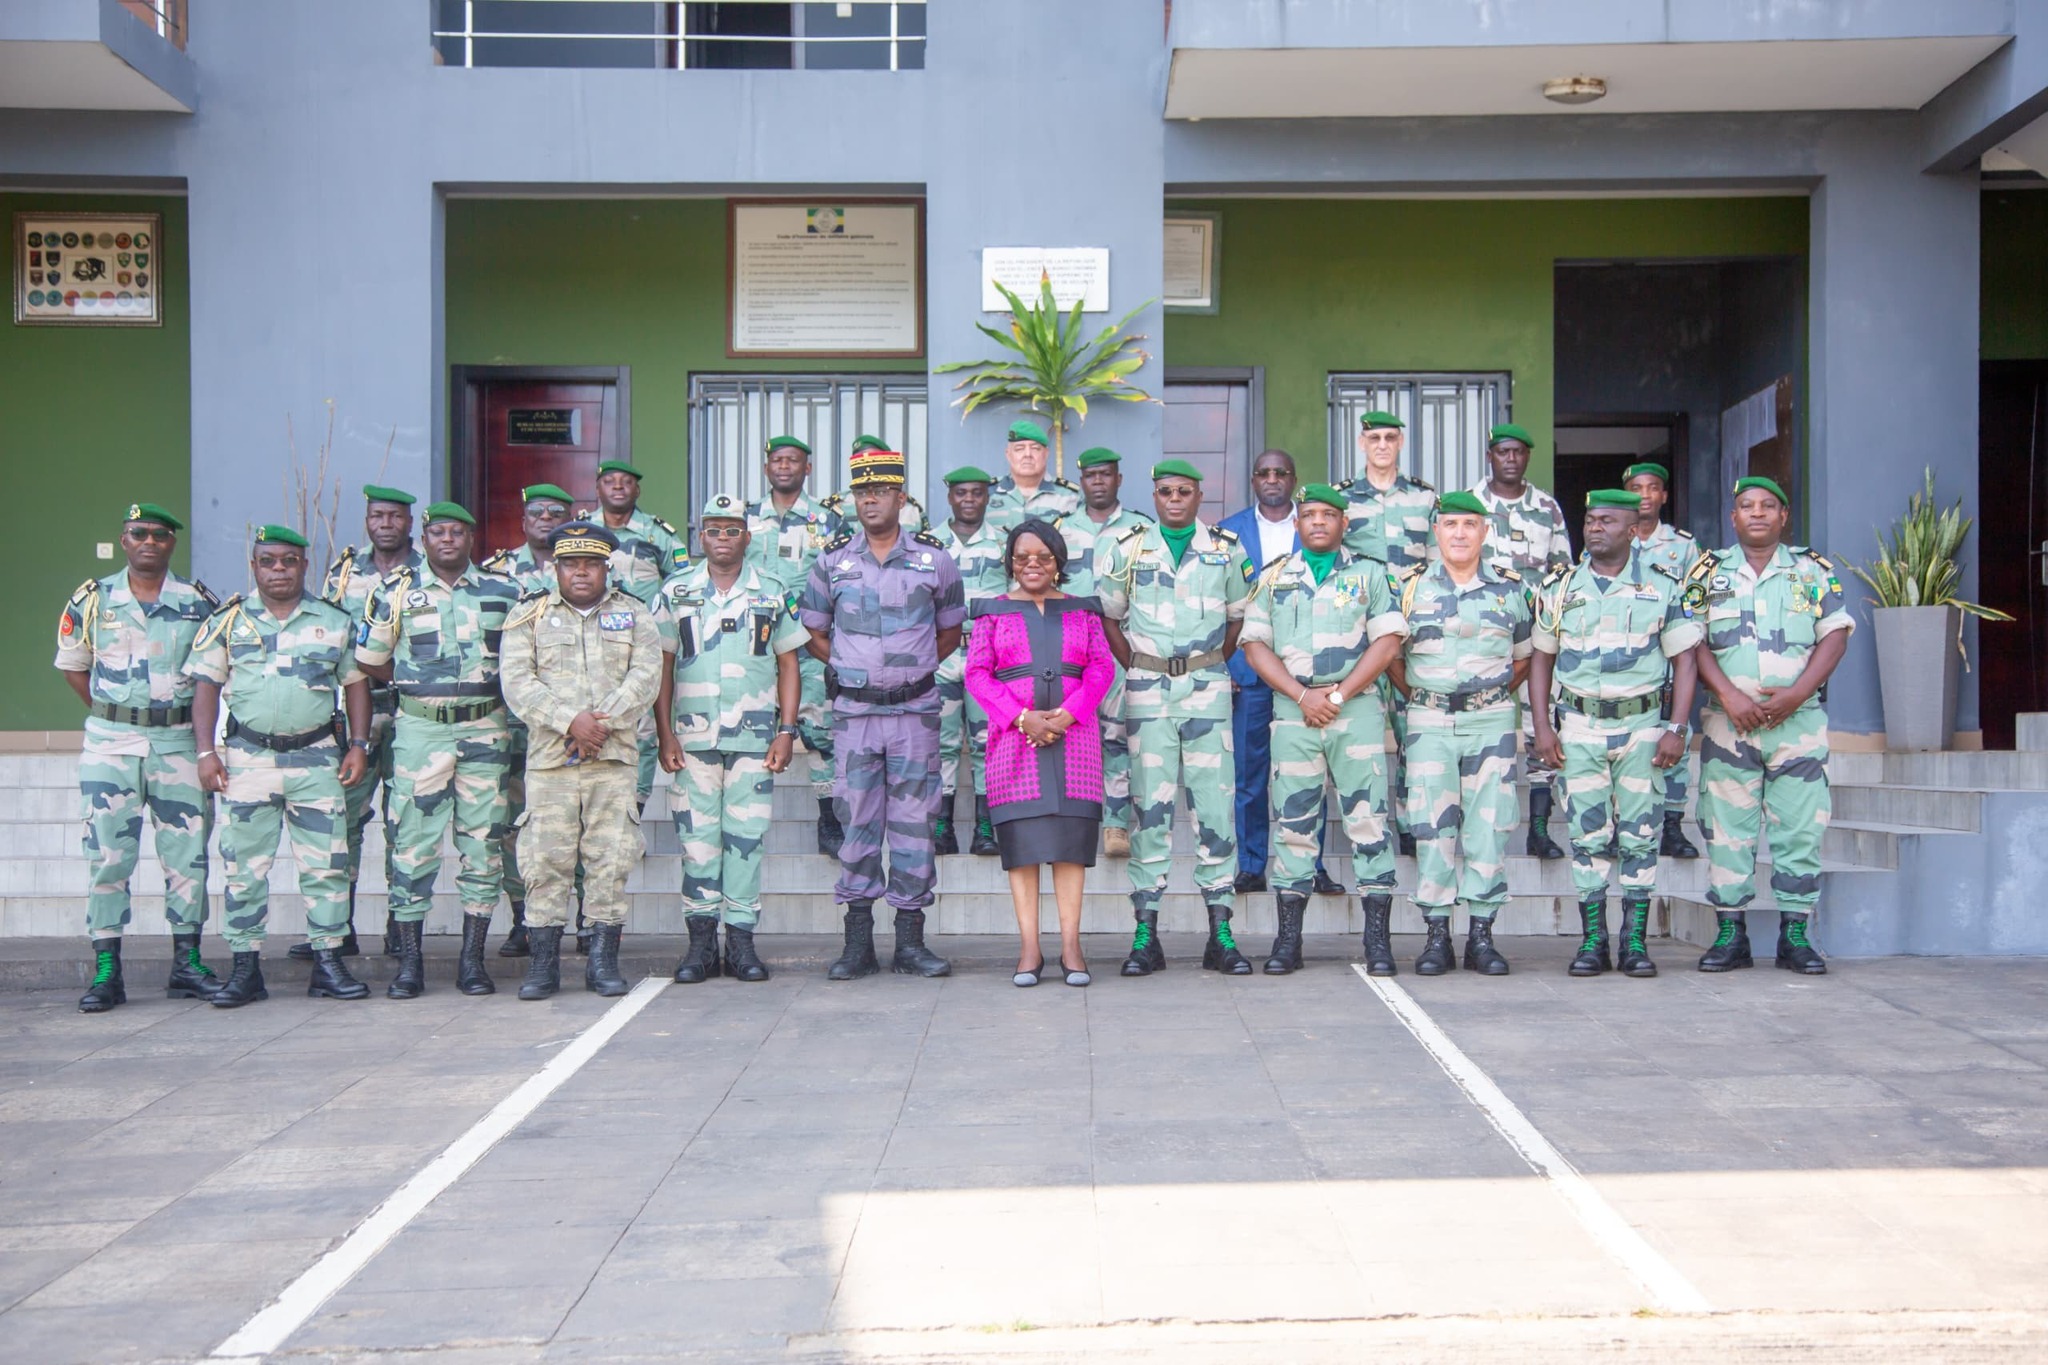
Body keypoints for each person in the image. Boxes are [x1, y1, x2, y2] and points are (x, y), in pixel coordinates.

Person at [186, 526, 373, 1007]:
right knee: (244, 869)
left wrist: (358, 744)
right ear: (254, 566)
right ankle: (245, 968)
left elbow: (355, 685)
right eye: (268, 561)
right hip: (250, 761)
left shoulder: (332, 620)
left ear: (303, 566)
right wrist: (206, 753)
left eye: (288, 561)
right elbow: (206, 685)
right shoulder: (229, 622)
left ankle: (328, 963)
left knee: (327, 865)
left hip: (316, 761)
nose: (278, 570)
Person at [798, 447, 965, 980]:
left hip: (915, 713)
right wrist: (854, 668)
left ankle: (912, 942)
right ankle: (857, 943)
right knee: (857, 824)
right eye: (861, 492)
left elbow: (949, 631)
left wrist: (910, 672)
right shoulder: (832, 562)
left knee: (916, 825)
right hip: (853, 716)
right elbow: (815, 631)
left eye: (880, 491)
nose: (870, 500)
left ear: (899, 497)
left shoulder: (933, 560)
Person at [1530, 491, 1702, 980]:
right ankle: (1593, 940)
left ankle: (1634, 942)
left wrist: (1676, 727)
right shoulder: (1561, 588)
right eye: (1589, 520)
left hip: (1643, 729)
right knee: (1587, 837)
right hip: (1579, 727)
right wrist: (1543, 725)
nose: (1595, 527)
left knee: (1641, 836)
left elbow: (1684, 661)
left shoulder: (1663, 587)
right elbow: (1541, 658)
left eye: (1607, 520)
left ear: (1632, 530)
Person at [55, 502, 219, 1012]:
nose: (149, 541)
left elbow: (213, 675)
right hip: (111, 747)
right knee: (107, 858)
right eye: (138, 533)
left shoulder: (197, 603)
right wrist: (119, 715)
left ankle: (187, 963)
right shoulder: (92, 601)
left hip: (177, 745)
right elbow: (74, 667)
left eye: (159, 535)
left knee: (187, 857)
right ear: (124, 541)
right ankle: (107, 969)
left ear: (172, 544)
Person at [355, 501, 523, 1000]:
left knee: (484, 846)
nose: (447, 540)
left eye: (457, 532)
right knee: (412, 846)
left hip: (486, 730)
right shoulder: (395, 593)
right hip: (420, 733)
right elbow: (372, 662)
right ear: (424, 539)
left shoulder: (504, 591)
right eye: (438, 532)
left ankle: (472, 961)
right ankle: (410, 964)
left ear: (472, 538)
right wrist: (418, 684)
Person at [1686, 476, 1853, 975]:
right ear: (1733, 517)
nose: (1756, 513)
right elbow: (1690, 639)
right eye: (1745, 506)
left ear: (1783, 516)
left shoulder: (1812, 570)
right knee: (1725, 830)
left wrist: (1799, 693)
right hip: (1727, 726)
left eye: (1767, 506)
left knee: (1800, 830)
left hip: (1797, 726)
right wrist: (1729, 695)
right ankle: (1730, 937)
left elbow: (1836, 635)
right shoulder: (1707, 572)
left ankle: (1795, 937)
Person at [1239, 484, 1407, 976]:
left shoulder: (1370, 574)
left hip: (1353, 711)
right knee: (1293, 825)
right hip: (1294, 712)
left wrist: (1335, 696)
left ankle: (1378, 941)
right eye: (1308, 515)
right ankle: (1288, 942)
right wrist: (1301, 695)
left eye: (1327, 515)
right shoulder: (1272, 579)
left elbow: (1389, 643)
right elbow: (1255, 647)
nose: (1317, 522)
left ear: (1343, 524)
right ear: (1296, 524)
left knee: (1369, 821)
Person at [1096, 460, 1255, 976]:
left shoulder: (1226, 550)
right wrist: (1140, 666)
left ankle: (1221, 933)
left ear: (1199, 495)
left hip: (1207, 689)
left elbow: (1237, 619)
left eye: (1184, 490)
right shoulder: (1128, 548)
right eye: (1165, 491)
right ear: (1155, 494)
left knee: (1215, 807)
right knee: (1149, 810)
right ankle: (1146, 933)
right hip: (1147, 691)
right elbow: (1109, 617)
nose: (1175, 498)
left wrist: (1206, 662)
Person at [500, 521, 664, 999]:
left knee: (609, 861)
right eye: (571, 564)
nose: (581, 573)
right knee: (545, 861)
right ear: (556, 568)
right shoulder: (528, 616)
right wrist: (570, 721)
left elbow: (646, 677)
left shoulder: (634, 615)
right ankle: (543, 968)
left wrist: (599, 724)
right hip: (551, 764)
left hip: (612, 762)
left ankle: (602, 964)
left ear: (605, 567)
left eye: (591, 564)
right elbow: (517, 683)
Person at [654, 495, 808, 984]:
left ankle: (741, 943)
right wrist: (664, 733)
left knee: (746, 841)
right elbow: (662, 666)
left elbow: (789, 662)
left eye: (731, 530)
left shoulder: (772, 590)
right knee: (697, 843)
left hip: (755, 740)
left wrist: (787, 731)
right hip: (692, 740)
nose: (722, 538)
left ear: (747, 536)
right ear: (700, 537)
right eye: (713, 530)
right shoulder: (675, 591)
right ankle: (700, 947)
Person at [966, 520, 1116, 988]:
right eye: (1022, 556)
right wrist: (1020, 717)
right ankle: (1030, 947)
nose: (1032, 564)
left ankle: (1071, 945)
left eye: (1043, 557)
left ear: (1058, 562)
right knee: (1024, 850)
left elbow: (1100, 667)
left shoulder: (1083, 611)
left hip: (1077, 745)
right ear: (1010, 561)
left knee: (1070, 849)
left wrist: (1069, 714)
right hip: (1014, 743)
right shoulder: (993, 612)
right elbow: (977, 674)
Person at [1392, 490, 1534, 977]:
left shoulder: (1511, 589)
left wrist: (1485, 695)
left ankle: (1481, 935)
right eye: (1449, 524)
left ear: (1484, 532)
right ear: (1436, 531)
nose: (1458, 533)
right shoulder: (1408, 588)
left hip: (1490, 721)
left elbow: (1524, 657)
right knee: (1432, 828)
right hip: (1428, 720)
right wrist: (1423, 695)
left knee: (1489, 828)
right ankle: (1436, 937)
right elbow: (1392, 656)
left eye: (1468, 525)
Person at [1221, 449, 1341, 897]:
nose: (1272, 479)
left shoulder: (1315, 525)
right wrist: (1228, 663)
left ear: (1293, 479)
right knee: (1250, 776)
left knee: (1310, 774)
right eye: (1264, 473)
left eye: (1281, 473)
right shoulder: (1230, 531)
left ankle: (1312, 865)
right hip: (1249, 675)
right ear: (1253, 480)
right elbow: (1223, 606)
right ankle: (1252, 864)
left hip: (1307, 678)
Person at [320, 484, 425, 959]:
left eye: (394, 516)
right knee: (344, 820)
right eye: (377, 516)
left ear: (410, 522)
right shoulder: (343, 574)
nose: (385, 524)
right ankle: (337, 927)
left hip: (410, 712)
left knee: (404, 824)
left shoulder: (429, 572)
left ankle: (399, 930)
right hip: (352, 714)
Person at [481, 482, 575, 956]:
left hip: (575, 727)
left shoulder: (589, 567)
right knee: (515, 823)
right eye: (536, 512)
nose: (545, 519)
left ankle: (580, 916)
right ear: (523, 521)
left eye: (555, 512)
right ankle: (523, 916)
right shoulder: (495, 576)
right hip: (511, 725)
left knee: (575, 817)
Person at [1471, 424, 1573, 862]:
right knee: (1478, 725)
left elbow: (1563, 570)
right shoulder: (1468, 505)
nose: (1510, 459)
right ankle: (1470, 825)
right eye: (1502, 452)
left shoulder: (1546, 508)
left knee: (1541, 724)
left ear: (1527, 457)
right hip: (1482, 635)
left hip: (1535, 638)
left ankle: (1538, 829)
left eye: (1518, 452)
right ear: (1490, 455)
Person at [744, 435, 847, 858]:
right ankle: (745, 820)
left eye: (794, 461)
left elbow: (842, 579)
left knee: (821, 731)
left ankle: (829, 819)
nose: (784, 466)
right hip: (751, 644)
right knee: (749, 731)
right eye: (777, 460)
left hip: (807, 643)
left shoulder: (828, 521)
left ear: (808, 468)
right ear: (767, 468)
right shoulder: (745, 517)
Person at [1339, 411, 1436, 857]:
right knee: (1355, 737)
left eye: (1390, 438)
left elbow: (1438, 567)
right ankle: (1364, 826)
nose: (1381, 444)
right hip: (1356, 638)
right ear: (1361, 443)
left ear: (1400, 443)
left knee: (1412, 729)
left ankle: (1412, 823)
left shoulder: (1423, 498)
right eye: (1374, 437)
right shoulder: (1342, 500)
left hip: (1411, 638)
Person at [1053, 447, 1152, 858]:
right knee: (1068, 737)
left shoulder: (1142, 530)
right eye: (1091, 475)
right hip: (1066, 649)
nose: (1098, 482)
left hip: (1117, 646)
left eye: (1106, 475)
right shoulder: (1060, 529)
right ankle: (1068, 823)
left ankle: (1114, 825)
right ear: (1082, 481)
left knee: (1116, 737)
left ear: (1118, 480)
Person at [592, 459, 684, 811]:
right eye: (610, 481)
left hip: (640, 645)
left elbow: (681, 581)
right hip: (593, 644)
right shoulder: (582, 530)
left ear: (637, 490)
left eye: (626, 481)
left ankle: (634, 808)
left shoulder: (656, 533)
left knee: (644, 730)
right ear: (597, 488)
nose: (618, 487)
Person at [1623, 460, 1704, 859]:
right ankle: (1625, 827)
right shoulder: (1611, 535)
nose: (1644, 495)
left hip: (1670, 661)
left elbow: (1694, 606)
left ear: (1664, 496)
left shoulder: (1684, 546)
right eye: (1636, 488)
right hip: (1625, 665)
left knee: (1675, 739)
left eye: (1652, 487)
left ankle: (1672, 827)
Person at [933, 465, 1010, 856]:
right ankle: (941, 827)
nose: (968, 499)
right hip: (941, 655)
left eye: (977, 493)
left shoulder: (1004, 544)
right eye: (961, 492)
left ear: (987, 497)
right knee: (942, 743)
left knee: (987, 742)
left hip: (987, 658)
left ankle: (985, 827)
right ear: (950, 496)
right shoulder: (928, 545)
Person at [984, 419, 1081, 532]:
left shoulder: (1071, 497)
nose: (1028, 455)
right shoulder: (986, 495)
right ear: (1008, 455)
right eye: (1019, 449)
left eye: (1035, 449)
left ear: (1046, 453)